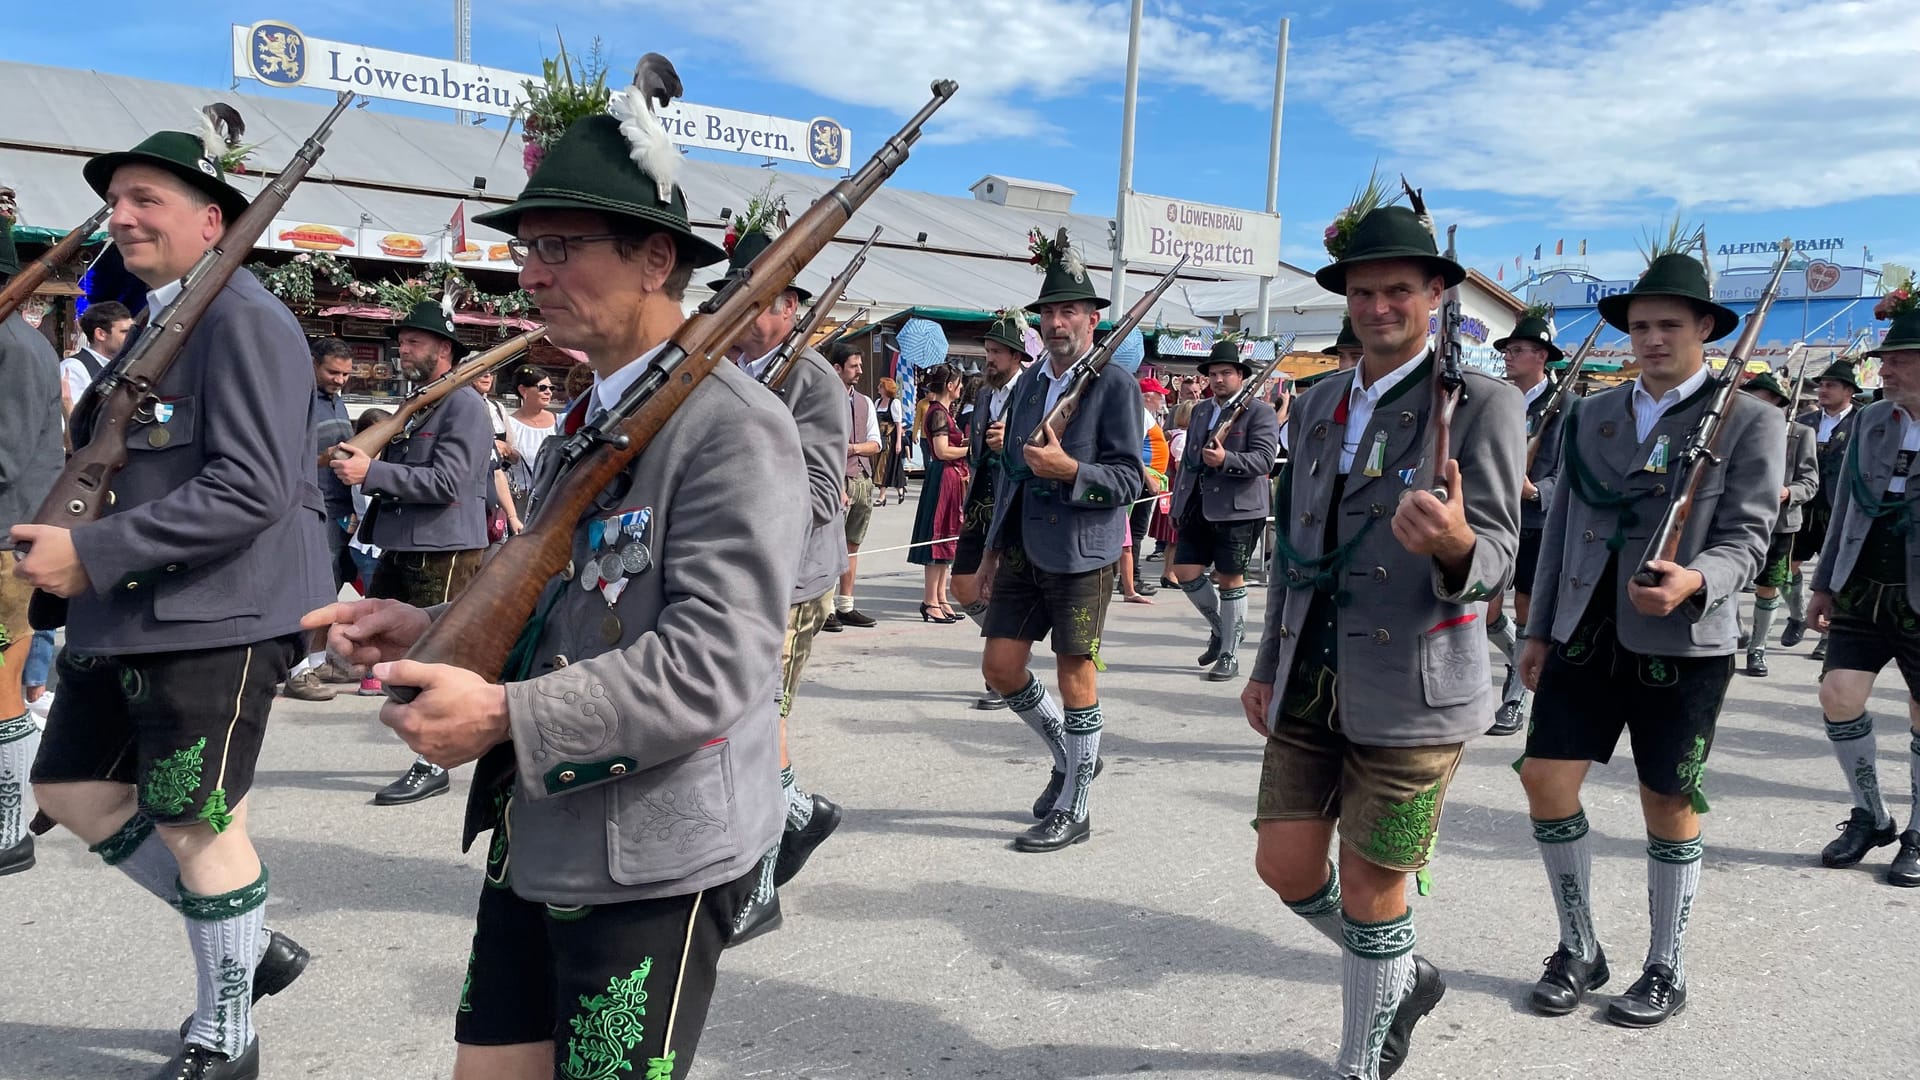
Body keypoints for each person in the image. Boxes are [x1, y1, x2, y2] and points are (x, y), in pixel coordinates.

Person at [305, 93, 808, 1079]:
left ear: (655, 259)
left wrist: (504, 716)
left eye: (563, 246)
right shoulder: (591, 414)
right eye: (527, 249)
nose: (531, 273)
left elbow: (719, 663)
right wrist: (427, 622)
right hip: (538, 828)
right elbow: (567, 602)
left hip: (651, 853)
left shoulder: (730, 427)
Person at [11, 115, 329, 1080]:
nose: (123, 216)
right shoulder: (165, 317)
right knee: (67, 791)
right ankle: (246, 937)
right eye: (117, 201)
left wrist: (93, 553)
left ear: (212, 220)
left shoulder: (243, 319)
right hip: (139, 610)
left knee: (198, 821)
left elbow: (253, 489)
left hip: (217, 614)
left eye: (147, 199)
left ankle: (226, 1032)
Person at [1242, 203, 1522, 1080]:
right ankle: (1403, 972)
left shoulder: (1484, 403)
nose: (1378, 307)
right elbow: (1291, 545)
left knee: (1372, 888)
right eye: (1363, 292)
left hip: (1416, 686)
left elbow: (1503, 550)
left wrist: (1454, 545)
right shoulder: (1319, 399)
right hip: (1311, 676)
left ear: (1436, 294)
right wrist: (1264, 664)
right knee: (1285, 868)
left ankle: (1361, 1061)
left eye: (1398, 290)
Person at [1516, 243, 1782, 1028]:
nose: (1653, 339)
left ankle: (1665, 965)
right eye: (1639, 326)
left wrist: (1698, 580)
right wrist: (1536, 630)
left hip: (1685, 638)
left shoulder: (1749, 421)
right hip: (1584, 628)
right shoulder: (1593, 413)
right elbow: (1561, 526)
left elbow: (1749, 537)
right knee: (1544, 782)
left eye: (1669, 324)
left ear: (1706, 326)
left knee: (1667, 799)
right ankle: (1578, 945)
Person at [709, 202, 851, 942]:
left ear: (791, 307)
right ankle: (800, 814)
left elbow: (825, 496)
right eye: (735, 297)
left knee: (766, 723)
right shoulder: (726, 368)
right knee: (744, 719)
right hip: (736, 573)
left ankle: (760, 886)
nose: (741, 313)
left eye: (758, 300)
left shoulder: (813, 381)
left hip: (791, 580)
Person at [978, 228, 1143, 853]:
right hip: (1023, 543)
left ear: (1092, 319)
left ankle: (1076, 804)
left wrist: (1072, 471)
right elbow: (1010, 474)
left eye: (1069, 310)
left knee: (1076, 674)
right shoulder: (1026, 385)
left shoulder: (1114, 386)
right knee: (999, 668)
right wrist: (992, 550)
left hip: (1083, 549)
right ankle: (1074, 756)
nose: (1056, 321)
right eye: (1048, 311)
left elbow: (1134, 476)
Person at [329, 297, 493, 805]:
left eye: (414, 341)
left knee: (439, 659)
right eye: (401, 340)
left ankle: (434, 761)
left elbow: (450, 481)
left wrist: (370, 473)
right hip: (404, 545)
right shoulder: (424, 401)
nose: (403, 348)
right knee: (389, 651)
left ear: (443, 347)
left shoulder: (462, 404)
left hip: (443, 550)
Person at [1804, 299, 1920, 888]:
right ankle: (1872, 815)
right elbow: (1847, 506)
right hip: (1863, 585)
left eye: (1900, 360)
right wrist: (1825, 583)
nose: (1886, 370)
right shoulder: (1874, 420)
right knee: (1838, 694)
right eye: (1886, 359)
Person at [0, 204, 63, 876]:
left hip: (4, 552)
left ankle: (11, 828)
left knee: (4, 684)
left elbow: (6, 458)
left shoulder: (13, 349)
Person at [1169, 337, 1281, 681]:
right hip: (1198, 504)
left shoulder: (1260, 411)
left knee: (1231, 579)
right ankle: (1224, 629)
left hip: (1239, 508)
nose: (1218, 379)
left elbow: (1264, 459)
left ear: (1240, 376)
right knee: (1185, 571)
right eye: (1213, 374)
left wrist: (1225, 460)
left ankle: (1230, 653)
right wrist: (1177, 502)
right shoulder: (1202, 410)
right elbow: (1189, 463)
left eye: (1226, 373)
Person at [1486, 309, 1566, 736]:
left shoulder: (1568, 404)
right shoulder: (1499, 399)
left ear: (1541, 356)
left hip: (1540, 521)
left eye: (1517, 350)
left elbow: (1571, 469)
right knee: (1489, 612)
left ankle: (1514, 700)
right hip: (1498, 515)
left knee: (1526, 609)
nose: (1509, 356)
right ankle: (1521, 659)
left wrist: (1537, 491)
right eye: (1508, 350)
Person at [953, 309, 1034, 711]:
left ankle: (1003, 672)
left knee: (1001, 586)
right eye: (987, 351)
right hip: (981, 500)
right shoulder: (984, 393)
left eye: (999, 352)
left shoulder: (1032, 390)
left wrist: (1013, 445)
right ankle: (1012, 656)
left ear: (1018, 356)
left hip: (1014, 498)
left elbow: (1045, 449)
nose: (990, 359)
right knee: (963, 587)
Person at [283, 338, 362, 702]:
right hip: (312, 506)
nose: (340, 379)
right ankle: (297, 670)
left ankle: (317, 661)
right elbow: (284, 457)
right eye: (333, 372)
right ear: (313, 363)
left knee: (332, 587)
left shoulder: (337, 400)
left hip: (343, 508)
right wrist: (322, 457)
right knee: (311, 590)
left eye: (346, 373)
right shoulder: (295, 397)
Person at [1735, 371, 1817, 677]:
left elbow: (1809, 481)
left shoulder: (1799, 433)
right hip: (1736, 519)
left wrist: (1788, 492)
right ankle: (1737, 629)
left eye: (1763, 400)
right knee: (1727, 581)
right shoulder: (1730, 430)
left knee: (1770, 585)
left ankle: (1757, 649)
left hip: (1780, 523)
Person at [1787, 360, 1865, 660]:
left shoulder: (1861, 421)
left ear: (1848, 390)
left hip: (1839, 507)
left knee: (1836, 574)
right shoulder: (1804, 422)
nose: (1822, 390)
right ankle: (1796, 615)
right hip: (1804, 506)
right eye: (1821, 385)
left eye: (1831, 385)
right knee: (1787, 568)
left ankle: (1828, 633)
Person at [828, 341, 881, 630]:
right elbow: (823, 445)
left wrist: (851, 448)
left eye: (860, 365)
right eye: (854, 366)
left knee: (852, 544)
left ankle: (846, 605)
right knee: (828, 546)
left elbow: (876, 444)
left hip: (862, 479)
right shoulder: (825, 399)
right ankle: (824, 608)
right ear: (837, 368)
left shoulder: (865, 402)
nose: (860, 370)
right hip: (837, 479)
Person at [908, 364, 968, 621]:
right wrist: (972, 450)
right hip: (943, 477)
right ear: (951, 385)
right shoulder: (938, 413)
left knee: (947, 539)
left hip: (950, 478)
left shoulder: (944, 411)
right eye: (959, 383)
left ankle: (940, 597)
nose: (962, 388)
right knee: (938, 537)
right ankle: (930, 599)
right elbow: (942, 451)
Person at [1119, 376, 1171, 603]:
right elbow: (1132, 449)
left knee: (1133, 531)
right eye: (1159, 396)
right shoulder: (1140, 415)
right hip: (1143, 479)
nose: (1162, 400)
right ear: (1147, 397)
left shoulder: (1144, 415)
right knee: (1135, 531)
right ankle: (1131, 578)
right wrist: (1149, 478)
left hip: (1146, 477)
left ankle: (1129, 577)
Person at [473, 368, 523, 541]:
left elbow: (513, 457)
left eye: (490, 372)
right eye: (481, 372)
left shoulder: (497, 408)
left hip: (497, 492)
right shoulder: (457, 407)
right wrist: (490, 445)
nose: (487, 376)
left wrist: (506, 450)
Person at [502, 364, 557, 520]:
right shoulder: (510, 425)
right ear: (523, 391)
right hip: (523, 503)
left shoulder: (560, 422)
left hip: (554, 501)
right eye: (542, 388)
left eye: (551, 388)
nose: (548, 392)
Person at [62, 300, 134, 418]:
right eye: (125, 332)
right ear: (101, 334)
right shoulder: (74, 368)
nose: (131, 337)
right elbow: (70, 421)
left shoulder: (124, 367)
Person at [874, 376, 907, 504]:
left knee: (885, 465)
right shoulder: (877, 402)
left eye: (880, 386)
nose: (878, 388)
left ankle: (882, 496)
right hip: (880, 436)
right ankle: (900, 488)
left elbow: (898, 424)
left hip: (891, 438)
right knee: (891, 465)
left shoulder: (894, 403)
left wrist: (898, 442)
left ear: (886, 388)